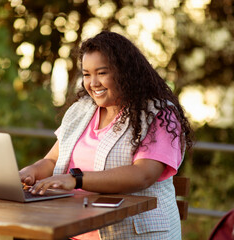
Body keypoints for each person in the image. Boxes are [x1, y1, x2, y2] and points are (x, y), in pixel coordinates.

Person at [19, 31, 193, 239]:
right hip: (72, 231)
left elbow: (143, 174)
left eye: (102, 73)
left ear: (125, 72)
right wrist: (31, 171)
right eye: (86, 74)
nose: (93, 83)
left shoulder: (158, 114)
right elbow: (52, 159)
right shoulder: (80, 110)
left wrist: (76, 179)